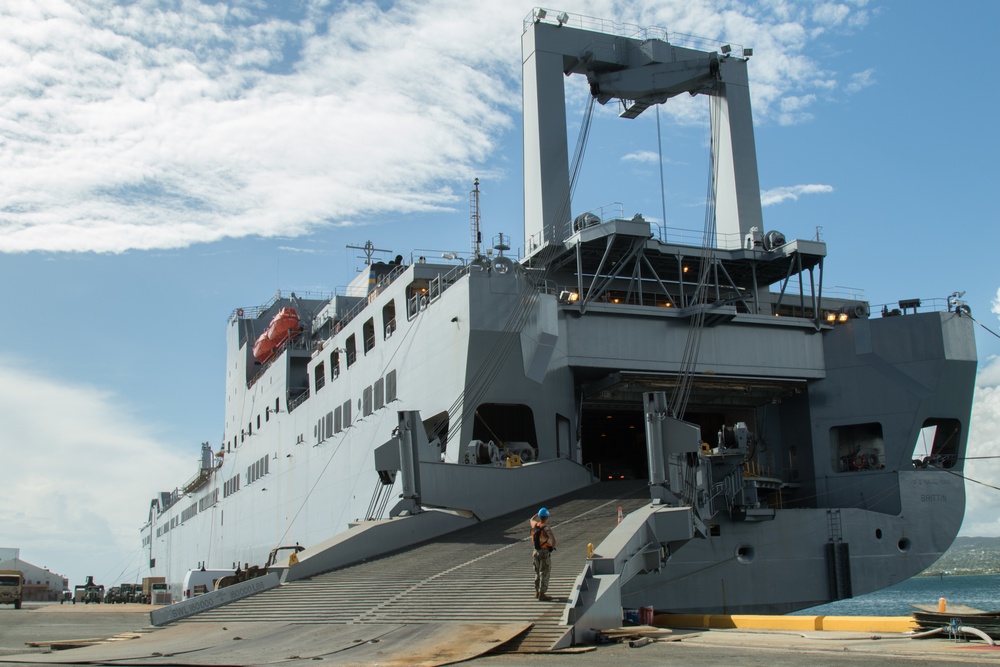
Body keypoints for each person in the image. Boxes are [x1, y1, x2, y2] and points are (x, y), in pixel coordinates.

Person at [530, 507, 556, 600]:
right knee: (544, 572)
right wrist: (551, 549)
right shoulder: (546, 528)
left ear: (540, 516)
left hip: (535, 552)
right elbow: (553, 540)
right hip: (544, 552)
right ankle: (542, 593)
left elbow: (532, 519)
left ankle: (536, 592)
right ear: (547, 517)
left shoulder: (535, 525)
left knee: (537, 572)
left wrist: (537, 513)